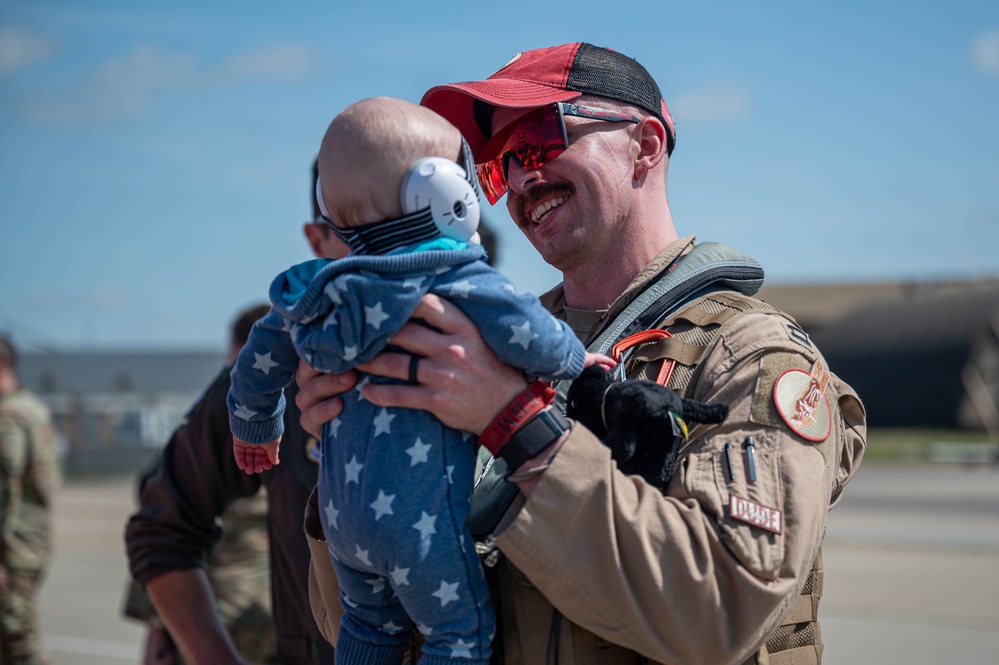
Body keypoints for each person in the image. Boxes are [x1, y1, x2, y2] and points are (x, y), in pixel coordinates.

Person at [296, 43, 868, 665]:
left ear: (645, 146)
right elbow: (347, 625)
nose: (519, 180)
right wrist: (349, 456)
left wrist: (515, 422)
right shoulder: (475, 350)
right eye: (494, 166)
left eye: (541, 139)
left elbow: (722, 614)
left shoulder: (749, 356)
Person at [228, 96, 612, 664]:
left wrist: (256, 426)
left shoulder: (311, 294)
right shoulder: (459, 279)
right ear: (442, 195)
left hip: (343, 522)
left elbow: (257, 362)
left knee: (367, 625)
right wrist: (579, 364)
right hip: (420, 526)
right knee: (458, 634)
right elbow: (532, 333)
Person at [124, 163, 349, 665]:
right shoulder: (268, 378)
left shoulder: (494, 351)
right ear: (317, 239)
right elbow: (162, 527)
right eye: (353, 222)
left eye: (405, 217)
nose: (384, 247)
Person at [123, 304, 277, 665]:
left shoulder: (222, 419)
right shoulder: (312, 412)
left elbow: (164, 521)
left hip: (216, 616)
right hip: (289, 616)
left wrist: (158, 624)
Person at [0, 334, 60, 665]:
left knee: (19, 645)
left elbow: (5, 489)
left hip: (11, 548)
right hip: (30, 542)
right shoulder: (32, 408)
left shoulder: (9, 415)